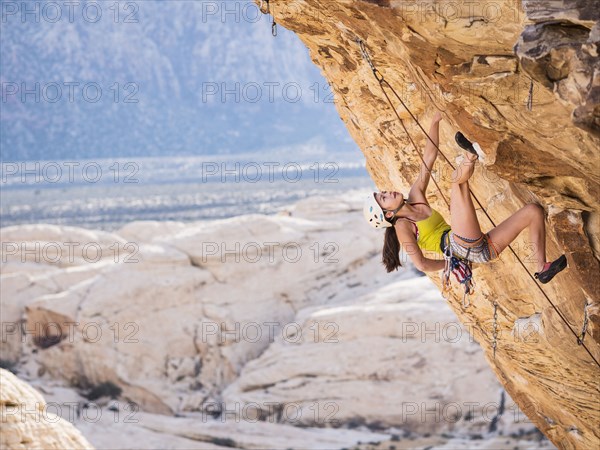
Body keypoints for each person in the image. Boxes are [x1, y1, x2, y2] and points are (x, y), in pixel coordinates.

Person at [363, 112, 567, 284]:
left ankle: (542, 268)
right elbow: (422, 264)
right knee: (457, 182)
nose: (388, 192)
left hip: (483, 250)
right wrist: (450, 264)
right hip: (460, 246)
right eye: (384, 198)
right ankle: (472, 155)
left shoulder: (415, 195)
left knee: (534, 211)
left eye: (384, 193)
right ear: (389, 214)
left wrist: (435, 121)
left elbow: (429, 157)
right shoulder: (402, 228)